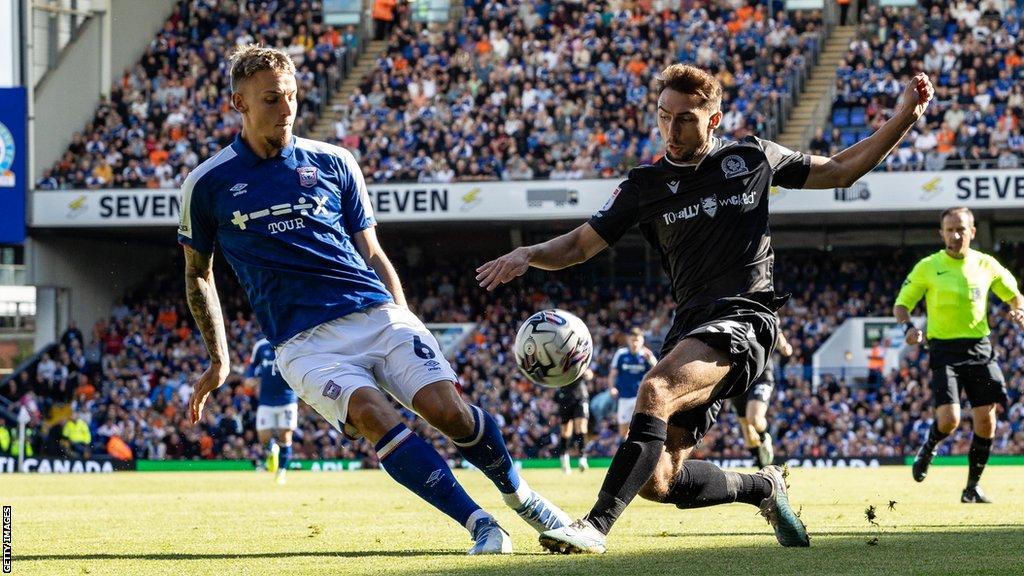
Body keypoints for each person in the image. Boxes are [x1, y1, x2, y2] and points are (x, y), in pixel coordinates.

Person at [478, 63, 934, 553]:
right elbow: (580, 245)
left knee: (655, 387)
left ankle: (594, 525)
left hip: (746, 318)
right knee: (659, 481)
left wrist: (904, 117)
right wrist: (529, 253)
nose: (671, 130)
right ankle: (763, 487)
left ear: (713, 120)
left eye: (685, 119)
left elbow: (841, 170)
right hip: (691, 327)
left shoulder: (752, 156)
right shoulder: (644, 186)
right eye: (663, 117)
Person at [178, 45, 570, 555]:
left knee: (449, 413)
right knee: (370, 412)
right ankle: (481, 525)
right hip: (303, 344)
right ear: (239, 104)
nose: (286, 108)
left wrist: (403, 314)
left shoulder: (334, 162)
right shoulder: (207, 184)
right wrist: (219, 359)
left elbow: (374, 251)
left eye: (292, 96)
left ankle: (523, 498)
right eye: (271, 99)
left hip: (376, 313)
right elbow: (198, 275)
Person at [894, 207, 1024, 503]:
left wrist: (1019, 310)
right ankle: (929, 446)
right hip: (943, 350)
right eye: (949, 230)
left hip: (979, 348)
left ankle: (972, 488)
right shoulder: (928, 266)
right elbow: (902, 305)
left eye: (961, 229)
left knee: (986, 421)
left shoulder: (986, 264)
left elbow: (1014, 295)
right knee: (950, 420)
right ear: (941, 233)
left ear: (973, 231)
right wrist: (908, 328)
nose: (955, 235)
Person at [732, 328, 791, 469]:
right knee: (747, 432)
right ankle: (762, 469)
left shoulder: (762, 308)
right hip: (737, 378)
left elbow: (776, 328)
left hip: (761, 376)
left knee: (754, 419)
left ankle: (764, 437)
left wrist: (783, 345)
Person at [245, 335, 297, 484]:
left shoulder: (291, 343)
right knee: (264, 436)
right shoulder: (260, 346)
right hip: (266, 401)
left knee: (285, 436)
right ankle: (271, 450)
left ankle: (281, 472)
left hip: (287, 399)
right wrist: (250, 378)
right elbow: (252, 366)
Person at [609, 329, 657, 440]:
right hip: (624, 396)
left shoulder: (647, 355)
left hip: (641, 398)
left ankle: (637, 455)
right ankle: (624, 453)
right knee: (623, 431)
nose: (635, 343)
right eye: (632, 340)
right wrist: (612, 388)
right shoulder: (621, 354)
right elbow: (612, 374)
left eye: (637, 340)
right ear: (628, 340)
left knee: (640, 428)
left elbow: (657, 373)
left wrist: (651, 360)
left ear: (642, 341)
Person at [556, 368, 592, 474]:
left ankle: (582, 458)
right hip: (565, 397)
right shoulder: (558, 360)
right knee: (566, 432)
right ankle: (564, 459)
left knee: (581, 427)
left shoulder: (579, 354)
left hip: (580, 396)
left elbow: (589, 374)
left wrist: (585, 373)